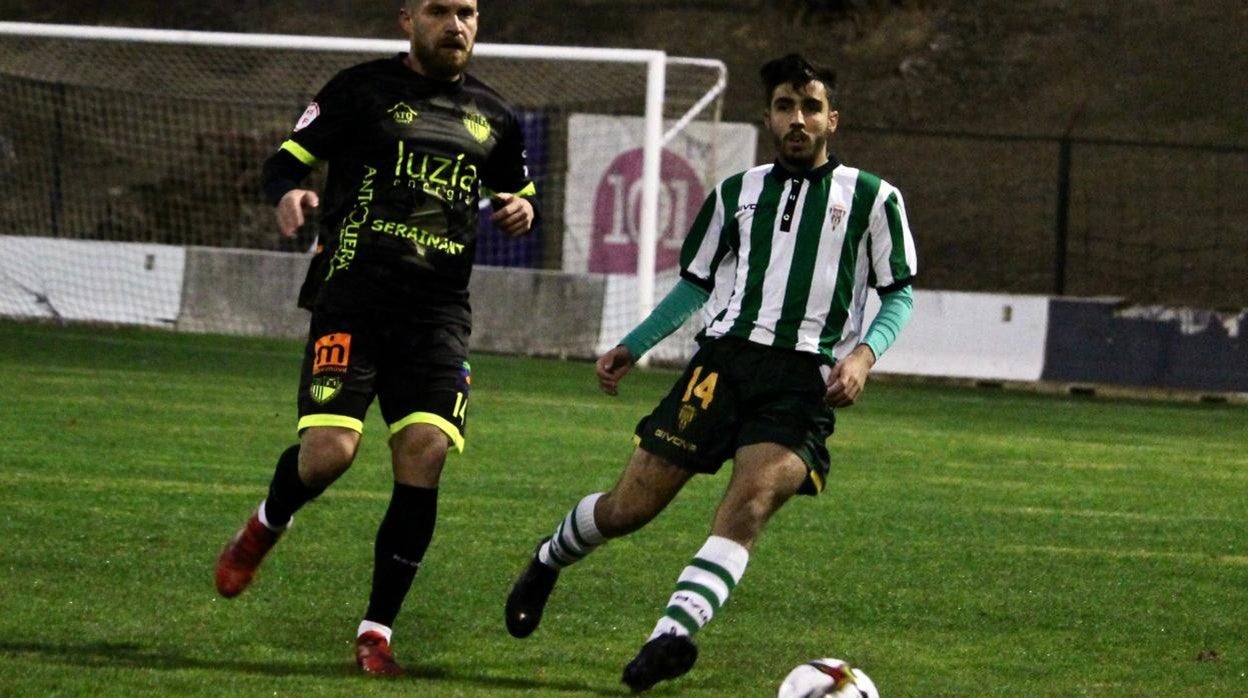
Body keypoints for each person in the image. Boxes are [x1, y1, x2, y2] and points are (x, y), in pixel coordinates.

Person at [504, 52, 916, 693]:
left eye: (810, 107)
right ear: (769, 118)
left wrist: (863, 355)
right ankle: (547, 559)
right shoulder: (736, 193)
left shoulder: (873, 199)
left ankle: (667, 638)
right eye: (785, 107)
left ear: (833, 119)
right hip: (720, 366)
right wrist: (634, 344)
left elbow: (899, 293)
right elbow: (696, 284)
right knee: (628, 508)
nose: (798, 119)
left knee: (748, 503)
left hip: (801, 379)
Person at [214, 0, 535, 677]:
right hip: (351, 301)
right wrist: (290, 195)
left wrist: (521, 208)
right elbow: (284, 163)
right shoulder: (357, 90)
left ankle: (376, 631)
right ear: (407, 20)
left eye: (469, 12)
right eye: (441, 11)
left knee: (425, 453)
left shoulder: (495, 116)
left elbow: (519, 192)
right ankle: (266, 523)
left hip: (438, 316)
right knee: (329, 454)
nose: (457, 24)